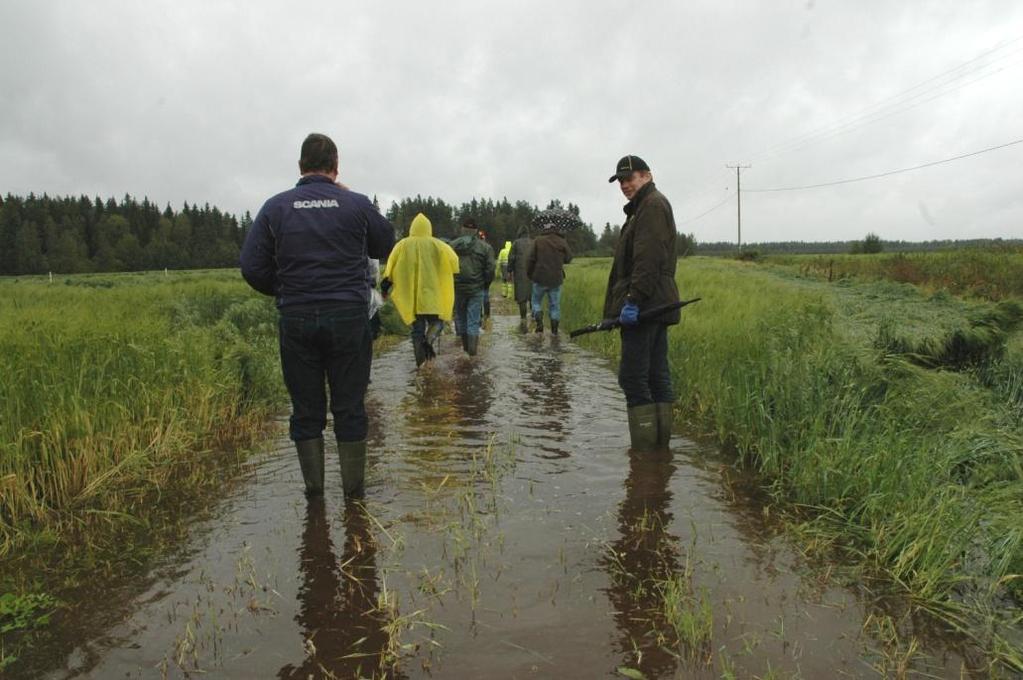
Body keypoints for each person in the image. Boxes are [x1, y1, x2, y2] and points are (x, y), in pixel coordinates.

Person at [240, 132, 395, 500]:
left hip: (297, 318)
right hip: (348, 317)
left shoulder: (275, 207)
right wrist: (347, 196)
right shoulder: (355, 203)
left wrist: (284, 290)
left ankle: (315, 499)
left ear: (300, 167)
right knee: (349, 406)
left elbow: (251, 265)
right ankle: (353, 497)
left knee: (306, 410)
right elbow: (386, 242)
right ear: (336, 167)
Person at [602, 155, 680, 452]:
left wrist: (633, 300)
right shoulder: (644, 207)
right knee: (655, 375)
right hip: (654, 303)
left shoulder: (652, 205)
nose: (624, 185)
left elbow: (647, 260)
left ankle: (646, 458)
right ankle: (660, 456)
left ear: (646, 176)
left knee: (633, 378)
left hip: (647, 305)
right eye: (620, 180)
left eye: (629, 178)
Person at [380, 213, 459, 367]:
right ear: (429, 228)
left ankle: (420, 365)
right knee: (437, 322)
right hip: (433, 295)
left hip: (412, 297)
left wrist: (385, 288)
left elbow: (391, 268)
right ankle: (429, 341)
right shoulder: (439, 245)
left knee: (417, 331)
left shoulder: (402, 245)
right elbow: (454, 263)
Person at [449, 218, 495, 356]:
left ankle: (465, 350)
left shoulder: (452, 246)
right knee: (473, 321)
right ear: (476, 231)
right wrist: (485, 284)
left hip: (457, 288)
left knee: (461, 318)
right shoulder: (485, 247)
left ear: (462, 229)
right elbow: (490, 269)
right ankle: (472, 355)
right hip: (476, 288)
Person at [527, 221, 572, 335]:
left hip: (539, 277)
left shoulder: (538, 240)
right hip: (556, 279)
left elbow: (531, 259)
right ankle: (554, 331)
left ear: (544, 229)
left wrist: (529, 274)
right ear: (556, 229)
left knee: (536, 302)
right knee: (555, 305)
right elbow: (569, 258)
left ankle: (539, 320)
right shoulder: (561, 241)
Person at [507, 224, 534, 323]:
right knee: (533, 297)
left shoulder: (516, 243)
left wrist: (509, 271)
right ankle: (534, 318)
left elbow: (511, 258)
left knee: (522, 298)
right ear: (527, 233)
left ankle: (523, 319)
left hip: (520, 273)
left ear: (519, 233)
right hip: (533, 274)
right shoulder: (533, 242)